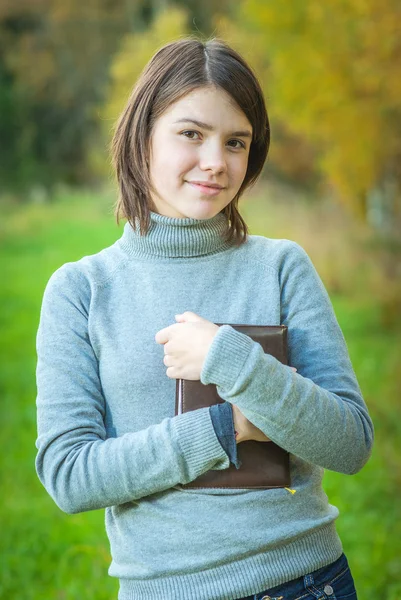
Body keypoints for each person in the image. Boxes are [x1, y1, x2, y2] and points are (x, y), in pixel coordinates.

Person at [35, 36, 374, 600]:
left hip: (305, 583)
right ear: (142, 136)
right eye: (191, 133)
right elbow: (70, 476)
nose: (216, 162)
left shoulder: (281, 266)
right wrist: (225, 428)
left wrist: (231, 359)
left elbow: (349, 444)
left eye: (236, 142)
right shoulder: (81, 290)